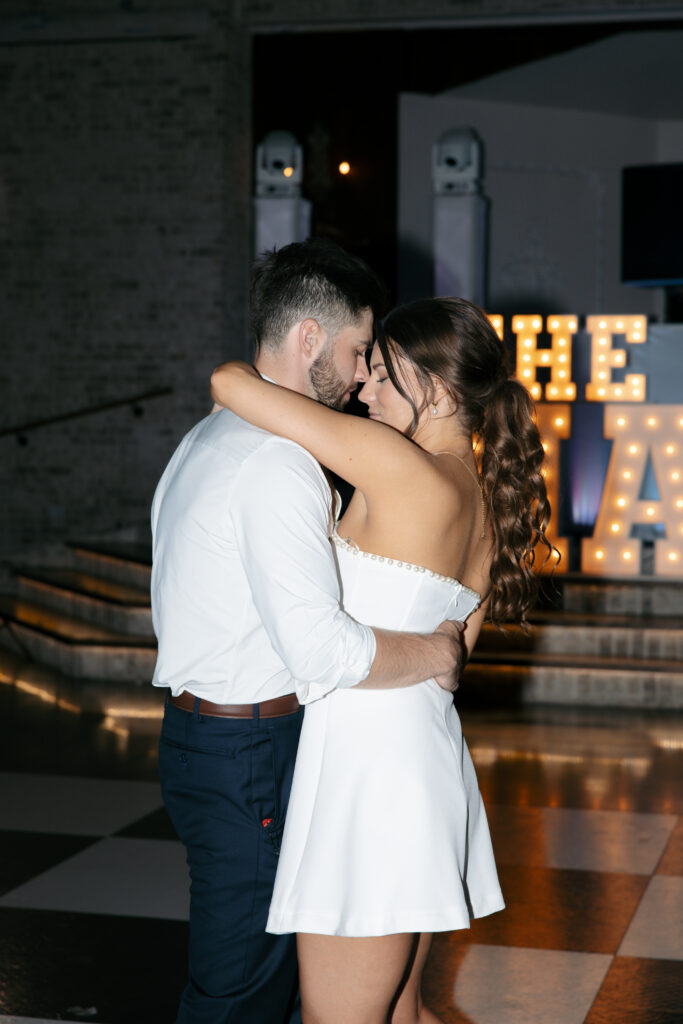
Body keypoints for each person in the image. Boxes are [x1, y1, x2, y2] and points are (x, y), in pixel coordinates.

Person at [210, 294, 554, 1024]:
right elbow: (454, 657)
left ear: (431, 387)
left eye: (381, 370)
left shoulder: (397, 465)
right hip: (421, 765)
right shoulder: (487, 504)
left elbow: (229, 383)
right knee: (400, 1011)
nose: (363, 385)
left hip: (366, 778)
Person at [150, 240, 468, 1024]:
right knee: (238, 997)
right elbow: (323, 650)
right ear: (308, 341)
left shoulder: (208, 436)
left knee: (258, 986)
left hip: (208, 741)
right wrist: (433, 650)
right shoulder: (277, 462)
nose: (363, 374)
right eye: (360, 352)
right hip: (246, 754)